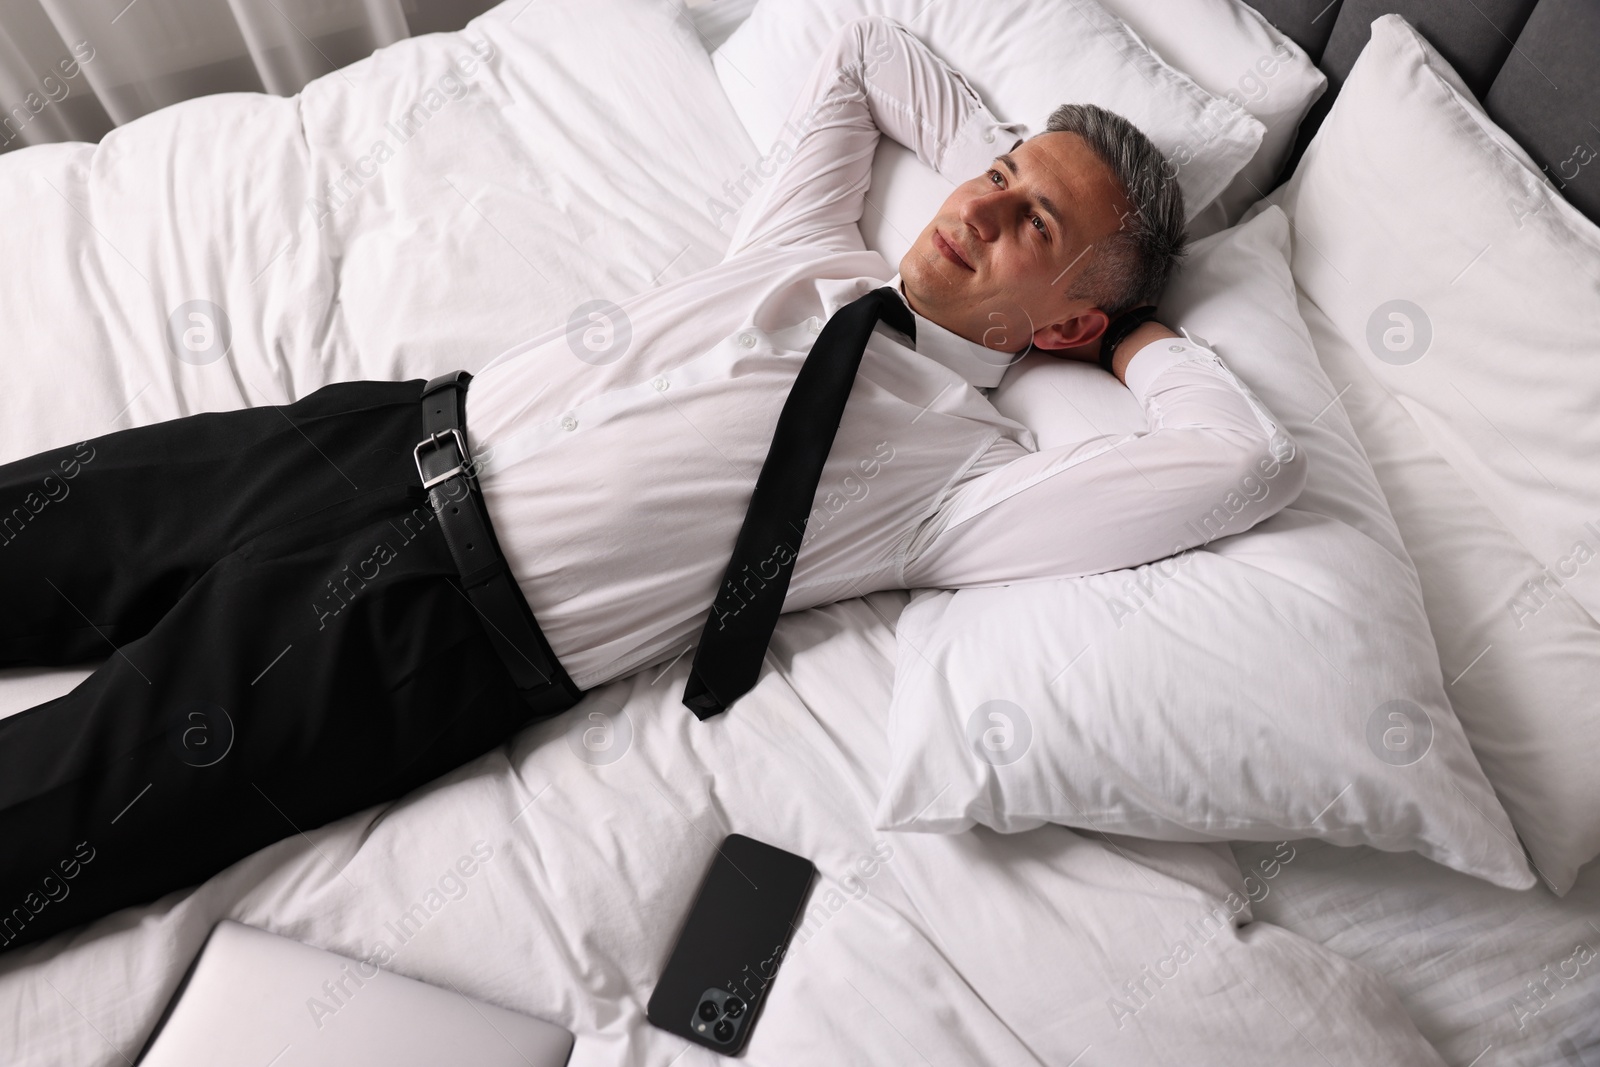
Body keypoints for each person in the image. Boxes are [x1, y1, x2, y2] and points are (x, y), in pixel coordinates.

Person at [0, 15, 1306, 955]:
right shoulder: (806, 247)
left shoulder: (955, 474)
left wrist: (1131, 334)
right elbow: (864, 50)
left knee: (52, 807)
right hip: (368, 438)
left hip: (417, 632)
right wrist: (1013, 166)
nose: (982, 207)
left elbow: (1244, 464)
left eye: (1035, 227)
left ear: (1070, 323)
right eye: (998, 178)